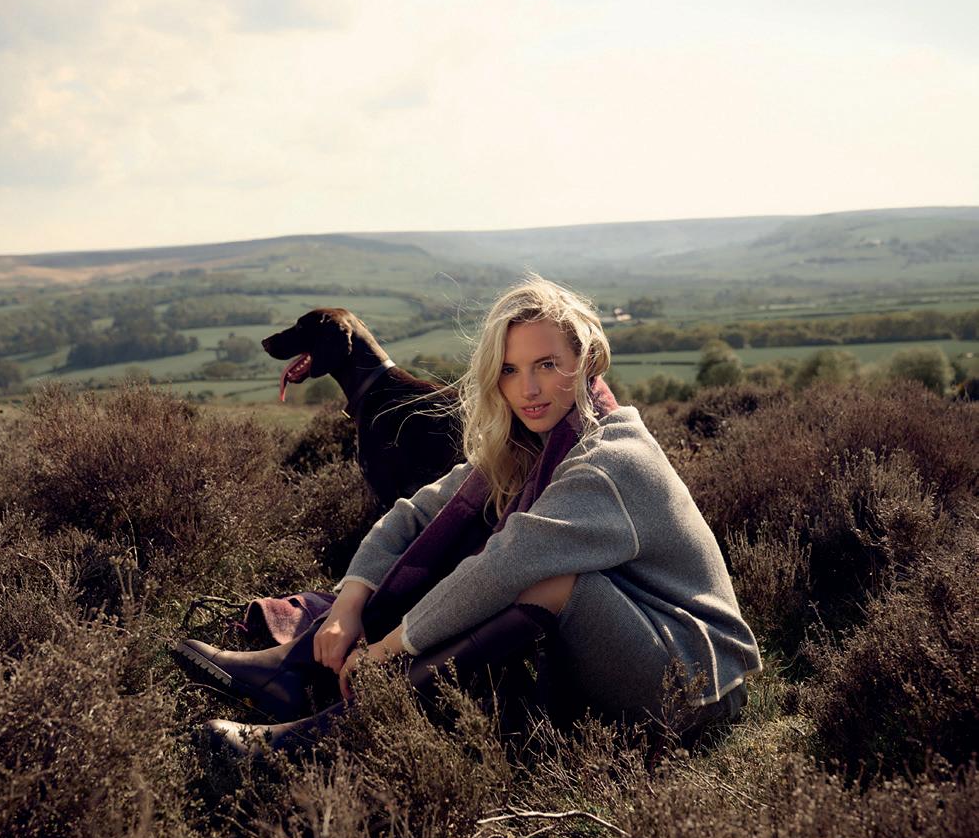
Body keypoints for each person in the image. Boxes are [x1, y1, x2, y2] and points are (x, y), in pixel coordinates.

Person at [177, 275, 761, 755]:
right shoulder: (529, 449)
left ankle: (329, 734)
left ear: (586, 362)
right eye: (509, 369)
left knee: (544, 580)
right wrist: (348, 606)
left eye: (547, 364)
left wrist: (387, 650)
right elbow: (413, 514)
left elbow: (504, 567)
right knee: (471, 547)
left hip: (699, 679)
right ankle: (294, 671)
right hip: (632, 645)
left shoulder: (608, 460)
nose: (528, 389)